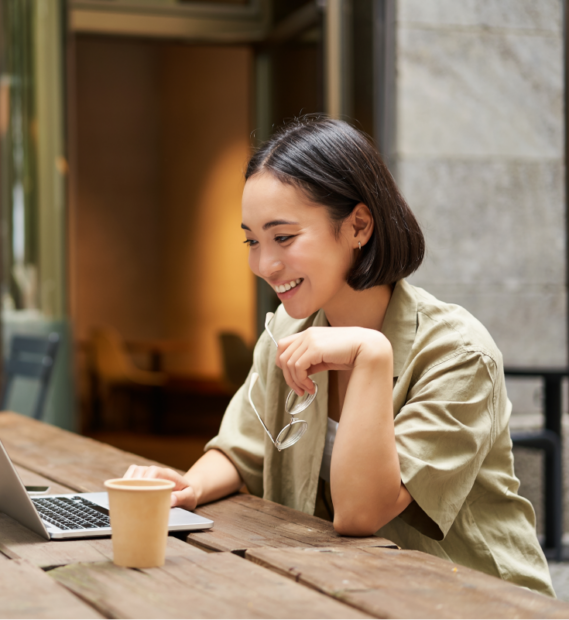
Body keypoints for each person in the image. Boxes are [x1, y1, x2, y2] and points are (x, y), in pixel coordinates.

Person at [124, 117, 555, 597]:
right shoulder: (288, 331)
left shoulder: (459, 354)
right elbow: (240, 449)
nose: (264, 264)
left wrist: (370, 354)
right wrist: (188, 488)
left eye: (283, 237)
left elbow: (360, 513)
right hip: (349, 589)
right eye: (252, 240)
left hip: (475, 600)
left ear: (358, 226)